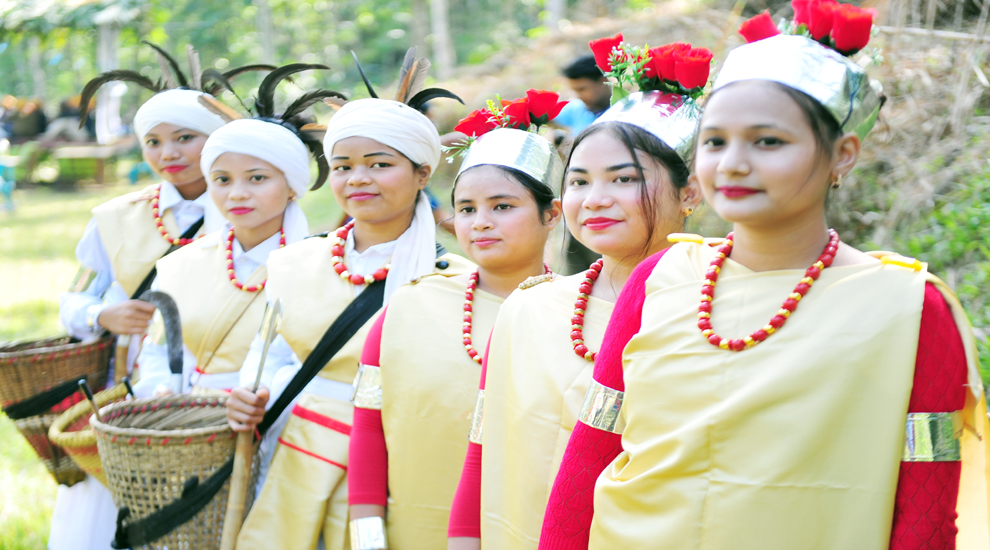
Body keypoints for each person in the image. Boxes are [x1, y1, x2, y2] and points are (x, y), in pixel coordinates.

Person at [539, 27, 990, 550]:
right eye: (714, 141)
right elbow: (589, 457)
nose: (732, 162)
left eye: (768, 141)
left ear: (842, 154)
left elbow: (925, 512)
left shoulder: (910, 307)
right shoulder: (660, 279)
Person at [225, 50, 470, 550]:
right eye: (343, 166)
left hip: (402, 461)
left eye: (379, 164)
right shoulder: (294, 264)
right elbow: (272, 354)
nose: (358, 178)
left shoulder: (457, 280)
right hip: (298, 454)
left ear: (423, 173)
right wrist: (248, 397)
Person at [447, 90, 703, 549]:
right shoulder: (531, 309)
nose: (595, 200)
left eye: (623, 179)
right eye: (579, 181)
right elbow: (484, 448)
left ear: (691, 192)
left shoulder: (710, 316)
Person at [347, 126, 563, 550]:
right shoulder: (410, 306)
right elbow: (368, 427)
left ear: (552, 214)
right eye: (466, 209)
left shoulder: (578, 316)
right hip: (410, 532)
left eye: (502, 206)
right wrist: (366, 535)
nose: (480, 222)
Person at [51, 65, 228, 550]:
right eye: (153, 141)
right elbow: (74, 299)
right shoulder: (115, 218)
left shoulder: (250, 205)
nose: (168, 153)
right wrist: (101, 316)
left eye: (185, 137)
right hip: (134, 387)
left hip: (221, 383)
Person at [131, 66, 333, 398]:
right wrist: (160, 391)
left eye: (257, 178)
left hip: (282, 423)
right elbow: (157, 350)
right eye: (222, 180)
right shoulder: (182, 265)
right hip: (191, 424)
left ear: (292, 186)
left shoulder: (319, 267)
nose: (236, 193)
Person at [555, 55, 611, 135]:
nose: (578, 96)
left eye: (581, 89)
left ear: (603, 82)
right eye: (574, 90)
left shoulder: (624, 110)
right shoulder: (576, 108)